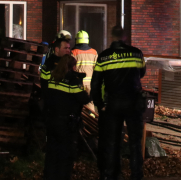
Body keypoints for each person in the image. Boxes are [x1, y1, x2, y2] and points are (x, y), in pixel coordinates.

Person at [91, 26, 146, 180]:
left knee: (112, 142)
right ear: (125, 37)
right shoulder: (137, 53)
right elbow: (141, 73)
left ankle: (111, 175)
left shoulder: (104, 56)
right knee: (135, 142)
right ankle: (136, 175)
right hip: (134, 103)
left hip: (112, 104)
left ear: (112, 37)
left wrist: (99, 104)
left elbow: (96, 84)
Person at [43, 55, 90, 180]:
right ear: (72, 66)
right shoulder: (73, 81)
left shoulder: (53, 79)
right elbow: (84, 99)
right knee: (66, 156)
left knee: (52, 155)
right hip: (66, 125)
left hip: (52, 121)